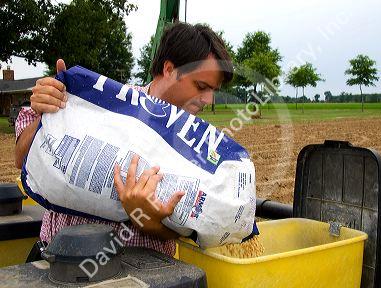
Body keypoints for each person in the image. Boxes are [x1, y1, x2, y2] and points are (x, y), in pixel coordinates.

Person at [15, 22, 233, 257]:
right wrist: (50, 113)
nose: (209, 99)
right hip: (59, 262)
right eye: (201, 86)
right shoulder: (97, 101)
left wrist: (145, 219)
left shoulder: (200, 144)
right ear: (169, 69)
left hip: (146, 272)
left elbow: (182, 231)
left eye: (214, 89)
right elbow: (20, 158)